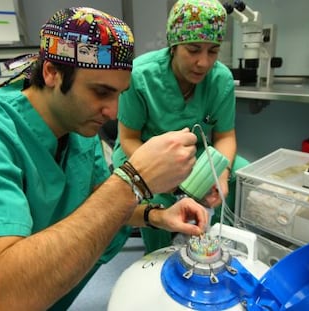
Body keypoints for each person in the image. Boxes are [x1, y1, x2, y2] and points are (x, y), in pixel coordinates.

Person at [0, 7, 208, 310]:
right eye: (101, 92)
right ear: (52, 72)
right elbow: (4, 298)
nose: (113, 112)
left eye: (119, 94)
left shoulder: (79, 124)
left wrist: (155, 215)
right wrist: (135, 179)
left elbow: (93, 198)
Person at [112, 0, 249, 255]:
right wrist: (171, 181)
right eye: (193, 49)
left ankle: (212, 249)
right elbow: (128, 138)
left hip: (191, 153)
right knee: (156, 195)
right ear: (173, 45)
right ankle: (160, 257)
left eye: (213, 51)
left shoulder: (221, 80)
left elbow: (225, 136)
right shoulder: (141, 75)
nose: (204, 63)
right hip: (142, 150)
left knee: (239, 174)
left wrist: (220, 175)